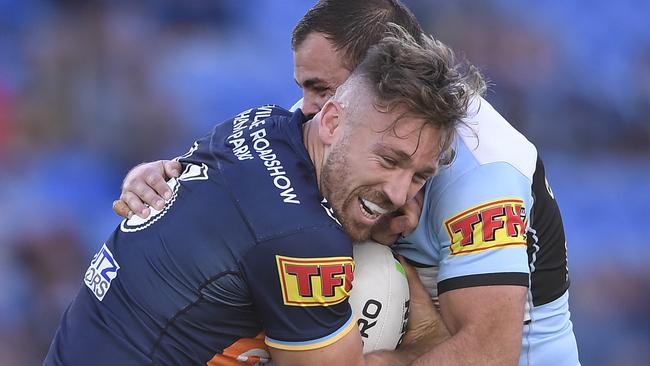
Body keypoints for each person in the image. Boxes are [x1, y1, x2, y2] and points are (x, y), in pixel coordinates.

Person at [114, 1, 581, 365]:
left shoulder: (484, 171)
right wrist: (160, 174)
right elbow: (250, 170)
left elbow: (487, 354)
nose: (310, 110)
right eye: (305, 88)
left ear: (380, 77)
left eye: (322, 89)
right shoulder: (347, 118)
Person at [45, 26, 482, 366]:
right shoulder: (304, 241)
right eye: (389, 160)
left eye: (419, 176)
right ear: (331, 121)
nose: (399, 193)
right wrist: (422, 335)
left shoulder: (259, 122)